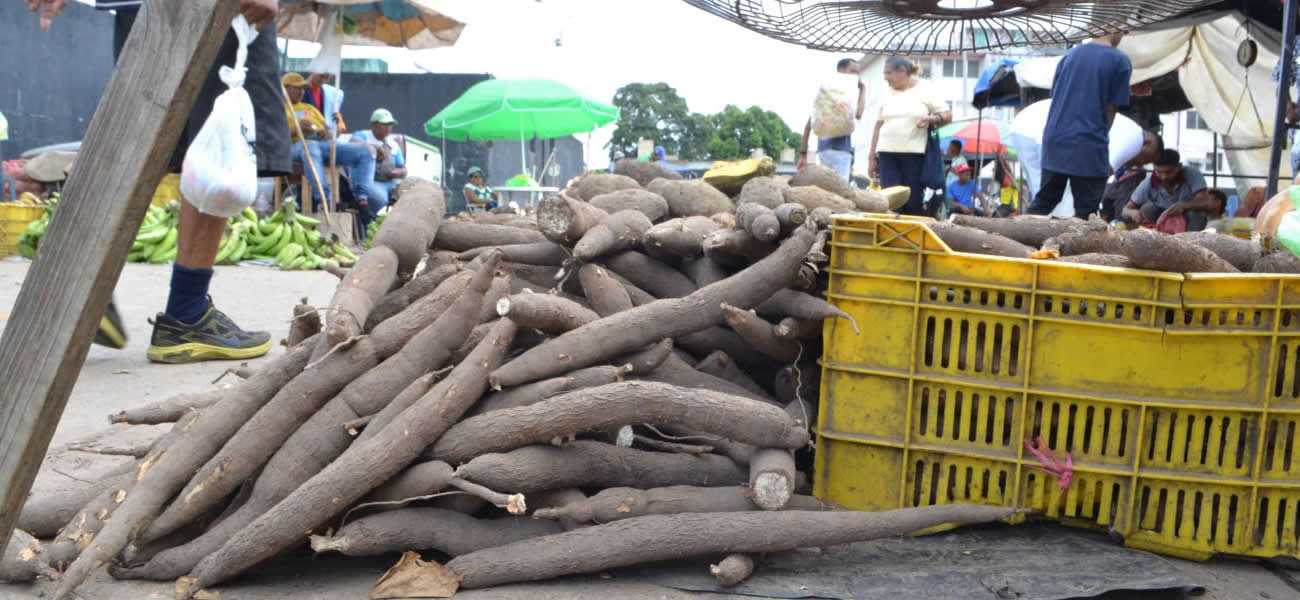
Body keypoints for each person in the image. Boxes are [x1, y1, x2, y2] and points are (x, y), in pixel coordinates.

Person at [25, 0, 286, 363]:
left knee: (142, 138)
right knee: (217, 151)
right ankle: (187, 311)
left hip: (143, 8)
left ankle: (71, 279)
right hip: (217, 8)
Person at [1030, 33, 1132, 217]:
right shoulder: (1119, 60)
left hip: (1055, 139)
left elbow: (1057, 97)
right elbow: (1111, 108)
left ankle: (1016, 231)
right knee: (1087, 211)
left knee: (1045, 200)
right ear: (1117, 25)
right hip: (1088, 142)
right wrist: (1102, 140)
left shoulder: (1070, 55)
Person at [282, 73, 382, 228]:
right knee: (311, 146)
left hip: (322, 143)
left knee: (365, 151)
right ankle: (325, 199)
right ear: (285, 88)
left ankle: (361, 200)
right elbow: (274, 138)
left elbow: (328, 129)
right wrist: (296, 128)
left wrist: (328, 132)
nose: (302, 91)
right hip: (295, 145)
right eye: (297, 88)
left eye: (303, 88)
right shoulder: (278, 109)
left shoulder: (310, 108)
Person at [868, 55, 952, 216]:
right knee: (890, 202)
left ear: (902, 71)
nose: (885, 78)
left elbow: (947, 115)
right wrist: (871, 158)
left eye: (888, 73)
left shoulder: (925, 89)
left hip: (914, 155)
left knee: (913, 201)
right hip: (886, 154)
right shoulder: (886, 93)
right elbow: (878, 126)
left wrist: (932, 119)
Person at [799, 58, 866, 181]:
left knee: (825, 187)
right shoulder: (845, 98)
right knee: (841, 188)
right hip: (841, 152)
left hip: (822, 151)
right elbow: (858, 114)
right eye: (853, 71)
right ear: (840, 70)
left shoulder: (826, 94)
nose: (856, 75)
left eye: (858, 72)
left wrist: (803, 155)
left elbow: (809, 124)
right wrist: (863, 89)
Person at [1123, 149, 1214, 231]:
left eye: (1168, 172)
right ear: (1154, 168)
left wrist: (1183, 206)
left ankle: (1192, 242)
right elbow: (1126, 210)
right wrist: (1133, 213)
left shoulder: (1191, 174)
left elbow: (1205, 202)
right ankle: (1153, 240)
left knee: (1197, 214)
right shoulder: (1148, 183)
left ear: (1179, 166)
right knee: (1148, 209)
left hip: (1187, 220)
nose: (1164, 177)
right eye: (1159, 172)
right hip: (1159, 223)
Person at [1100, 130, 1162, 226]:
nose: (1140, 164)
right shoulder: (1120, 164)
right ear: (1146, 143)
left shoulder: (1135, 175)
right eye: (1144, 159)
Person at [350, 108, 406, 210]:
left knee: (406, 197)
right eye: (384, 124)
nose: (388, 127)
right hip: (369, 182)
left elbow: (403, 168)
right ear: (374, 125)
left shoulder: (393, 144)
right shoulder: (363, 136)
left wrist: (399, 172)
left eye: (390, 124)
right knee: (380, 200)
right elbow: (353, 143)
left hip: (390, 182)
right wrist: (374, 148)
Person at [304, 71, 346, 136]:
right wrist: (319, 130)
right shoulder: (301, 91)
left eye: (327, 78)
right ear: (313, 71)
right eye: (321, 76)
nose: (323, 80)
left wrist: (338, 127)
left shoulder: (330, 93)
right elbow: (305, 121)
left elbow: (336, 116)